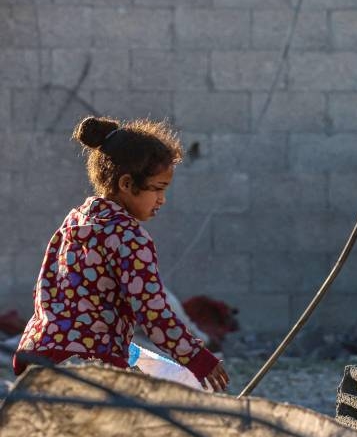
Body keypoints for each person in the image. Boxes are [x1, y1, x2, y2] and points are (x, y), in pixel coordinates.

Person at [13, 116, 230, 392]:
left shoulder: (74, 222)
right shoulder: (130, 238)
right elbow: (153, 313)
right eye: (158, 189)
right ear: (127, 184)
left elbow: (44, 288)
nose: (162, 200)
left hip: (39, 359)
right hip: (90, 368)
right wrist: (199, 359)